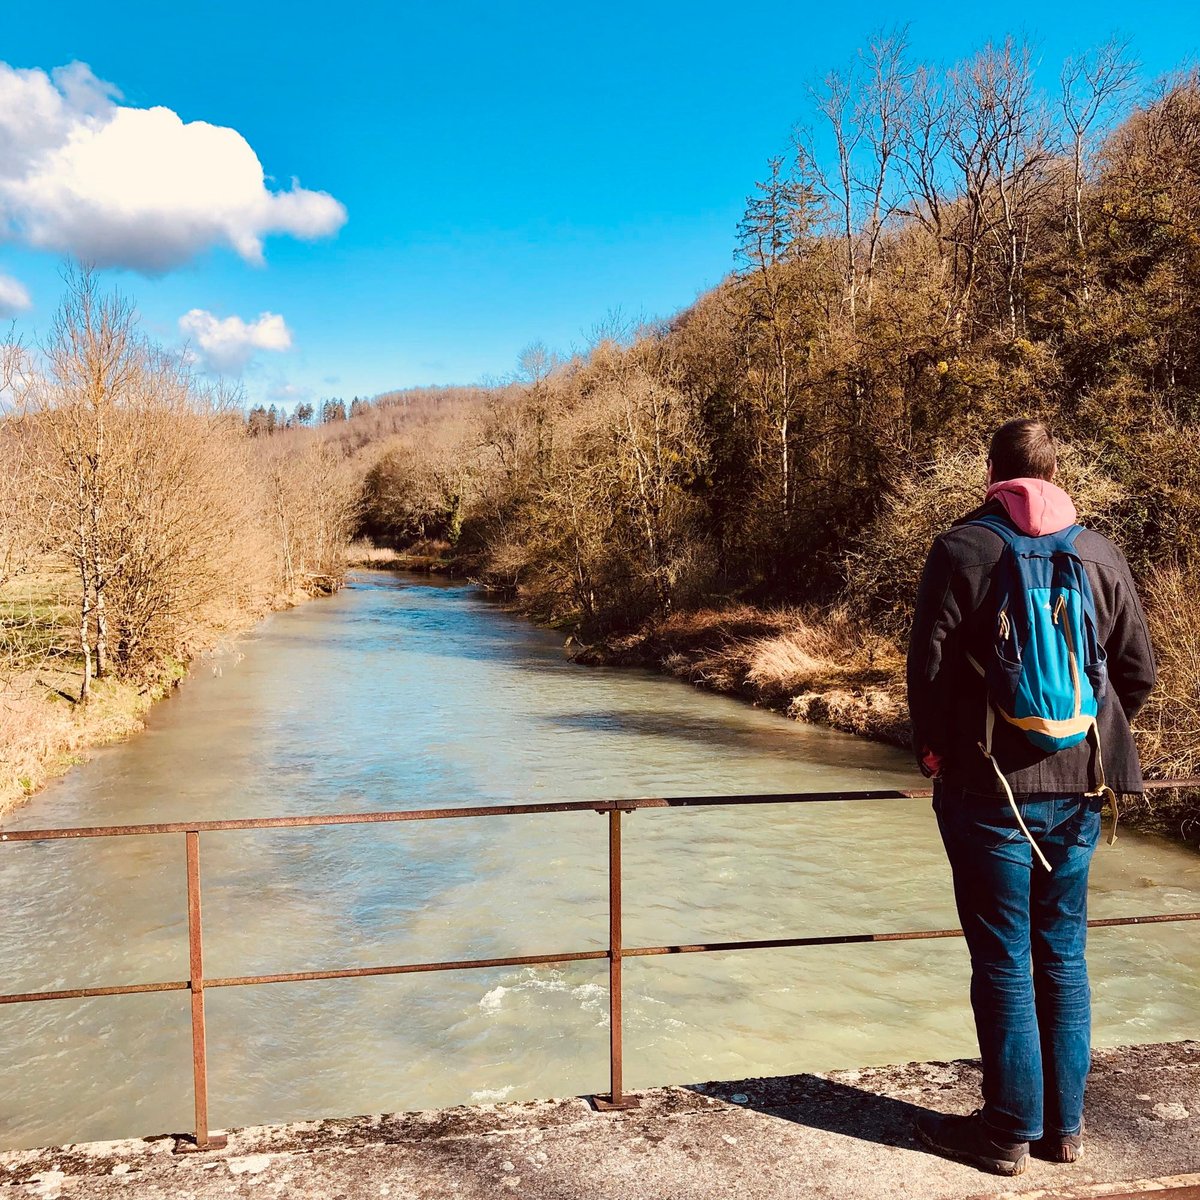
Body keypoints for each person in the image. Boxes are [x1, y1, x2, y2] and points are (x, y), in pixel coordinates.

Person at [906, 418, 1156, 1176]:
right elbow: (1138, 671)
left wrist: (938, 751)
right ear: (1056, 471)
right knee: (1064, 956)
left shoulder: (960, 548)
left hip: (988, 792)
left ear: (993, 473)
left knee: (1004, 963)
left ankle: (1007, 1131)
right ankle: (1064, 1131)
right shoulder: (1100, 552)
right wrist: (1082, 738)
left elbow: (929, 670)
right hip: (1080, 792)